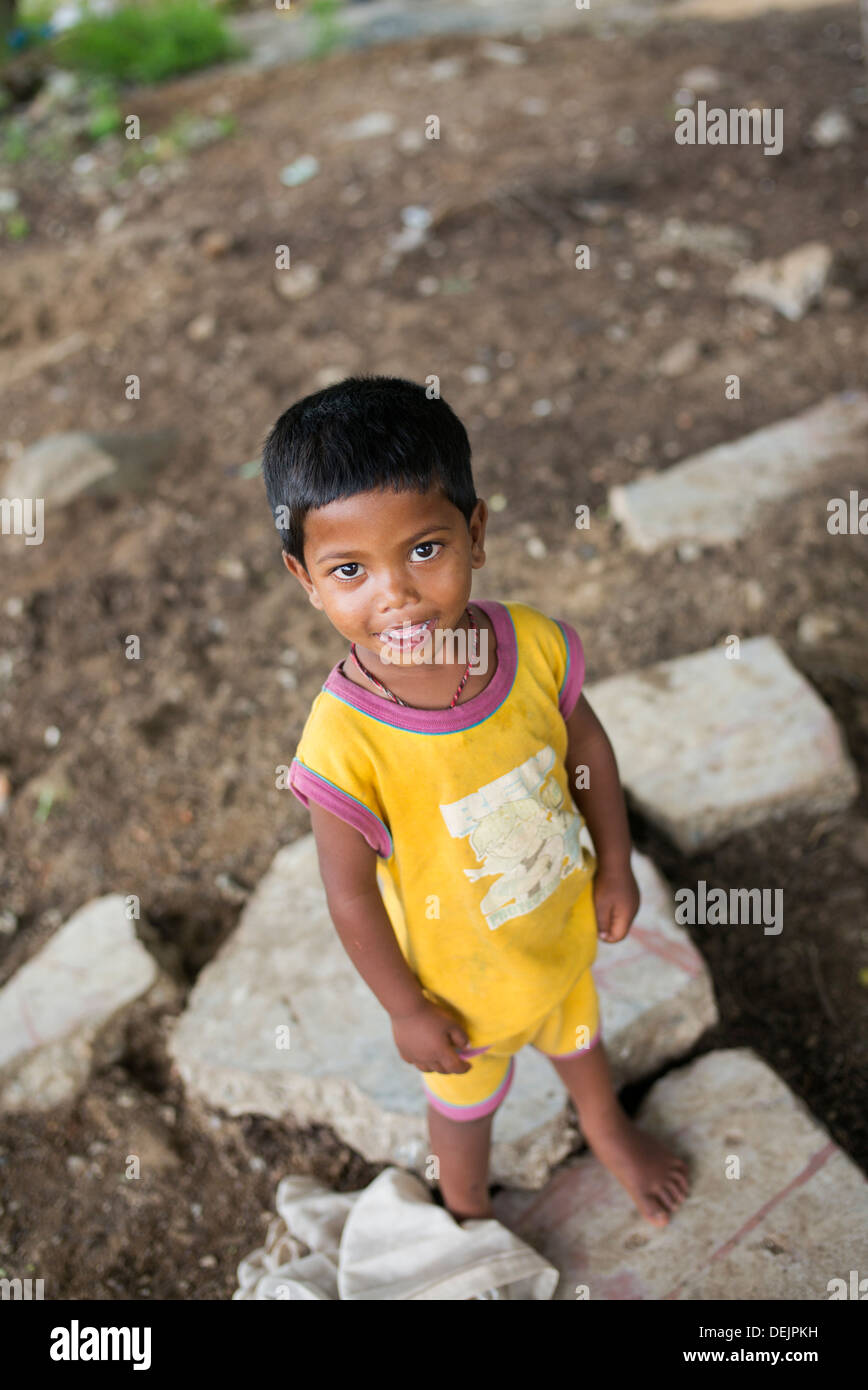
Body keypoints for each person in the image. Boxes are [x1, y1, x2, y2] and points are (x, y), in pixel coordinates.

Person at [261, 375, 689, 1228]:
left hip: (556, 929)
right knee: (463, 1115)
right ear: (307, 579)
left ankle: (605, 1125)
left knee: (580, 1040)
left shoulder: (526, 645)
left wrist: (614, 860)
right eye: (350, 568)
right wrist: (405, 1008)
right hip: (457, 995)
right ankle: (465, 1214)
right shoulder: (345, 743)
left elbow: (588, 748)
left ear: (476, 531)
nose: (396, 593)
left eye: (424, 549)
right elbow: (348, 893)